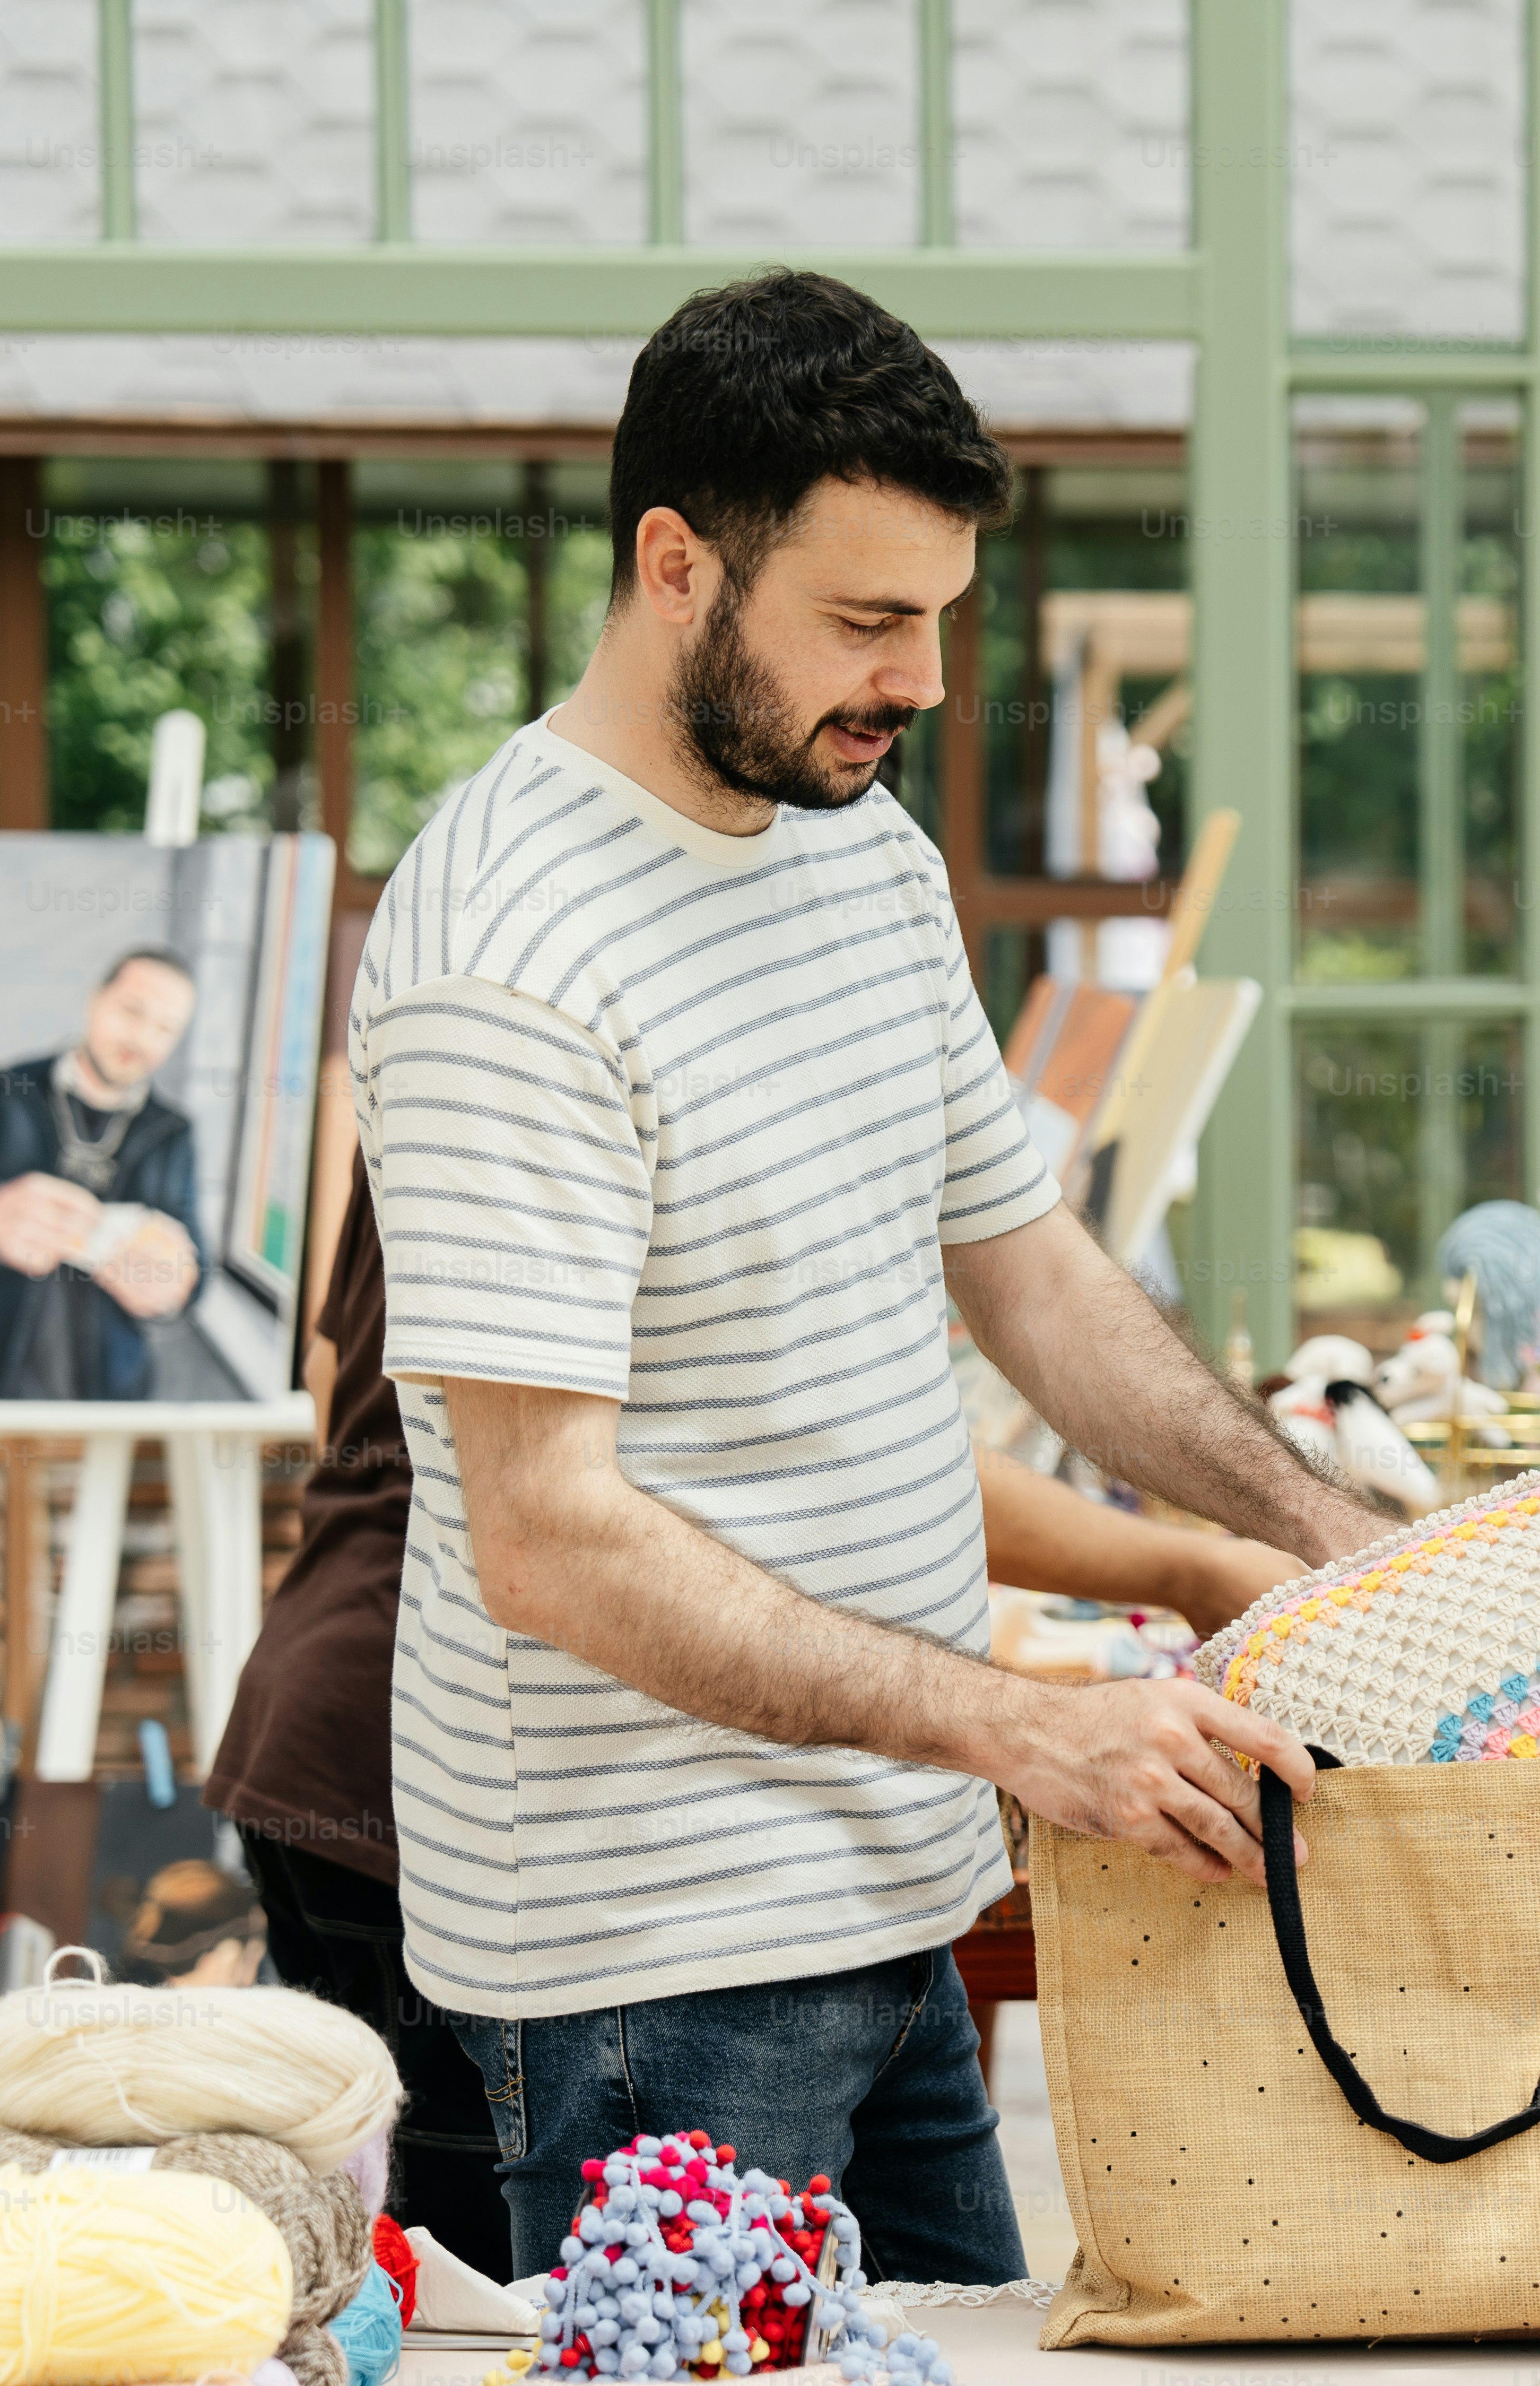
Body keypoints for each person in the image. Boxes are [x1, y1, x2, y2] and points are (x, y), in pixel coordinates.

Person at [350, 270, 1383, 2283]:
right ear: (674, 564)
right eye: (865, 618)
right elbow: (549, 1540)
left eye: (941, 616)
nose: (920, 677)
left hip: (896, 1881)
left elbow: (1036, 1274)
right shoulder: (506, 951)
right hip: (655, 1963)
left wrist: (1325, 1531)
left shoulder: (859, 844)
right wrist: (1026, 1726)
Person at [210, 1152, 1310, 2273]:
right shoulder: (539, 1059)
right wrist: (1171, 1576)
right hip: (436, 1775)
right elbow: (770, 1471)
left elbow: (331, 1364)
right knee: (460, 2297)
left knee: (451, 2287)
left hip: (350, 1721)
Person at [0, 948, 208, 1400]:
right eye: (132, 1011)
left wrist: (173, 1288)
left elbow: (196, 1267)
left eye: (166, 1028)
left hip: (103, 1402)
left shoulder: (173, 1134)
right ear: (96, 1001)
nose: (143, 1036)